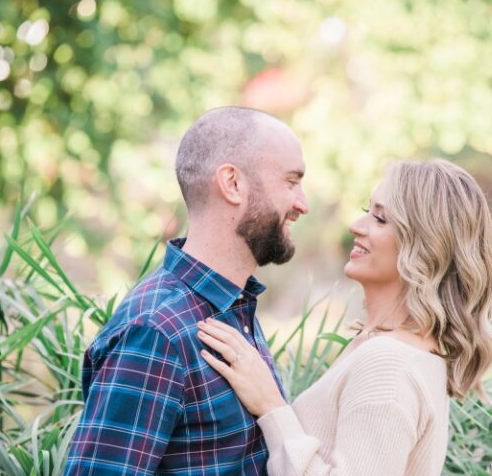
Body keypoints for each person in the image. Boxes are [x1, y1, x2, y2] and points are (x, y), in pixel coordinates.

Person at [198, 159, 492, 475]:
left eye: (381, 218)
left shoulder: (389, 364)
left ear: (426, 247)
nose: (356, 225)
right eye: (367, 210)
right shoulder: (386, 347)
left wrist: (271, 407)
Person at [64, 106, 310, 475]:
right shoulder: (157, 332)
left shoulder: (231, 307)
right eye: (291, 182)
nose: (302, 203)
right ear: (233, 184)